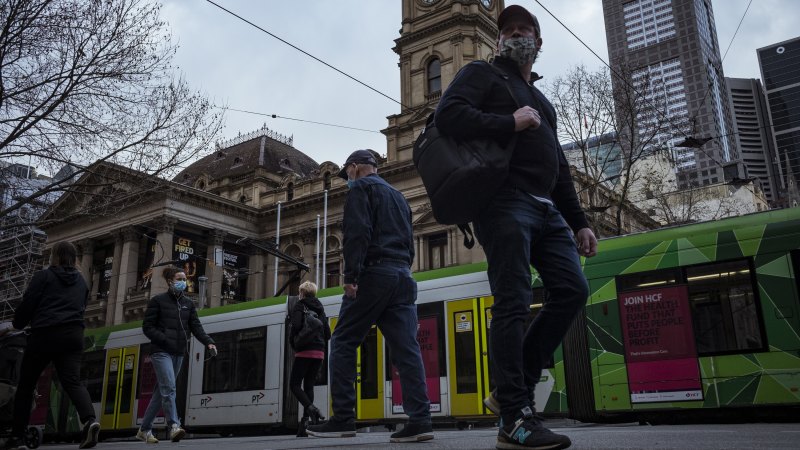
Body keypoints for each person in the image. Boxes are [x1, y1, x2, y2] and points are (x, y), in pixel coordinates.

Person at [434, 5, 598, 450]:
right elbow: (447, 117)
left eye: (526, 30)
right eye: (509, 30)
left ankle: (510, 391)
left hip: (547, 211)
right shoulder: (480, 74)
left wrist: (579, 221)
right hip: (504, 202)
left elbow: (559, 167)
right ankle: (514, 415)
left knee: (572, 290)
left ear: (539, 43)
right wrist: (509, 122)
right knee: (512, 300)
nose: (517, 35)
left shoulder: (542, 101)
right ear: (500, 40)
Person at [306, 150, 433, 443]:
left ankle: (343, 418)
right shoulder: (399, 197)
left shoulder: (361, 189)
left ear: (354, 168)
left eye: (346, 174)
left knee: (343, 341)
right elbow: (409, 240)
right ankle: (421, 419)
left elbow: (357, 233)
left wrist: (351, 277)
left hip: (373, 275)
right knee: (406, 349)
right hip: (403, 275)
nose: (346, 180)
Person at [3, 241, 100, 450]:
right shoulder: (82, 282)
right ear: (74, 258)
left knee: (26, 385)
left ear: (54, 256)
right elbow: (81, 307)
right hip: (74, 335)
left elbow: (28, 303)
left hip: (45, 333)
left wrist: (16, 324)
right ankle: (90, 420)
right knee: (72, 381)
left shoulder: (44, 276)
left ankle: (18, 436)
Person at [138, 266, 216, 444]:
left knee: (161, 392)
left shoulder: (188, 303)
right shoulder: (158, 301)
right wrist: (164, 339)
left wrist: (209, 342)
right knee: (169, 388)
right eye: (179, 278)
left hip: (179, 352)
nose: (183, 282)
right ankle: (174, 425)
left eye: (184, 279)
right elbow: (147, 327)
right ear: (170, 281)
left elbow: (196, 326)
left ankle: (144, 429)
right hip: (161, 351)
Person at [288, 281, 331, 437]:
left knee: (294, 384)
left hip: (304, 351)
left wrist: (294, 339)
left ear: (302, 293)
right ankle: (305, 425)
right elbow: (328, 334)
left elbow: (297, 326)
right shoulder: (320, 308)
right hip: (319, 353)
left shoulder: (300, 306)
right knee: (309, 386)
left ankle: (311, 408)